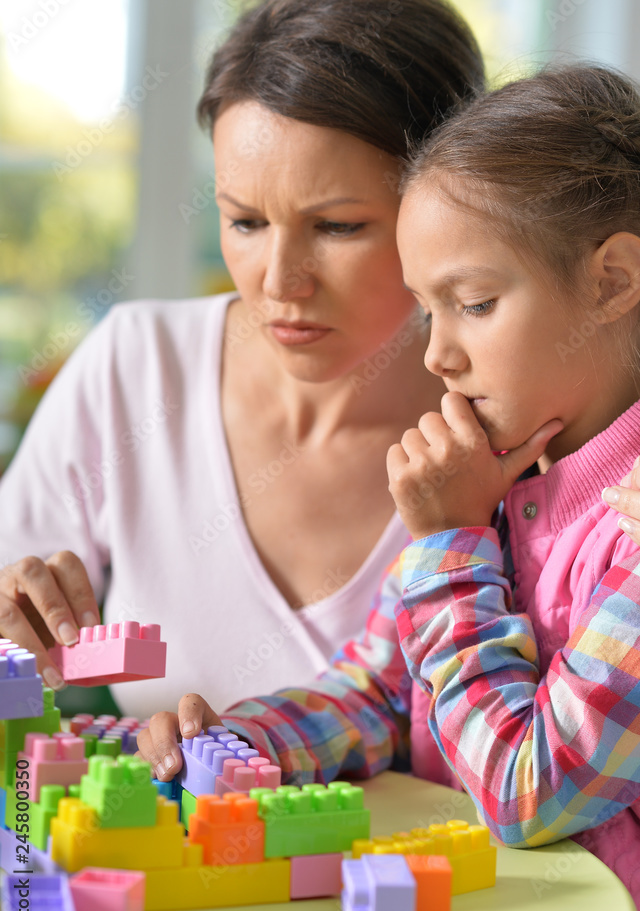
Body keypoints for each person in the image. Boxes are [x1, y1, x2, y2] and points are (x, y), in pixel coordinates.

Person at [141, 66, 640, 911]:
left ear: (613, 281)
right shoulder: (498, 482)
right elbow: (385, 695)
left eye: (474, 303)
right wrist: (244, 747)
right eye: (429, 309)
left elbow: (526, 789)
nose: (436, 353)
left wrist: (446, 547)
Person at [0, 0, 484, 713]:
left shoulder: (513, 425)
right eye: (246, 221)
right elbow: (17, 629)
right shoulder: (137, 368)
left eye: (338, 225)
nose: (279, 282)